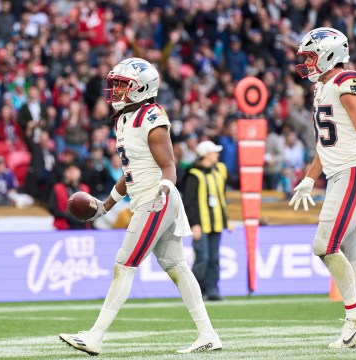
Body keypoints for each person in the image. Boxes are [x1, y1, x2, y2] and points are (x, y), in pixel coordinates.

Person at [59, 58, 221, 355]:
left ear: (141, 88)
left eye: (122, 85)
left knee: (124, 264)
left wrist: (164, 188)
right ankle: (208, 334)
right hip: (148, 196)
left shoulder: (152, 117)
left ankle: (96, 335)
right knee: (177, 266)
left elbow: (169, 165)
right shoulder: (123, 119)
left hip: (156, 198)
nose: (115, 90)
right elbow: (130, 171)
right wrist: (106, 205)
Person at [291, 27, 356, 349]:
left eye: (311, 56)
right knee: (352, 256)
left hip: (353, 173)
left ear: (329, 54)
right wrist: (310, 178)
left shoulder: (348, 83)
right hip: (339, 172)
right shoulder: (323, 87)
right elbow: (327, 142)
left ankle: (355, 319)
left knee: (324, 245)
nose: (307, 63)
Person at [182, 141, 229, 301]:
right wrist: (194, 223)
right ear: (206, 155)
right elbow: (189, 202)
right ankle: (194, 291)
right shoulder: (194, 174)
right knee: (203, 258)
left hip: (216, 223)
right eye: (214, 152)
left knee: (214, 259)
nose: (217, 154)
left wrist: (226, 219)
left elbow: (222, 197)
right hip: (201, 224)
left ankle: (212, 290)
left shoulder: (219, 171)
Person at [48, 163, 90, 230]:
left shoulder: (85, 188)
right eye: (69, 170)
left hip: (83, 226)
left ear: (79, 172)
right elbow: (52, 208)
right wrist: (66, 214)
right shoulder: (57, 188)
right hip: (64, 226)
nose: (72, 173)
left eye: (75, 170)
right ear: (65, 173)